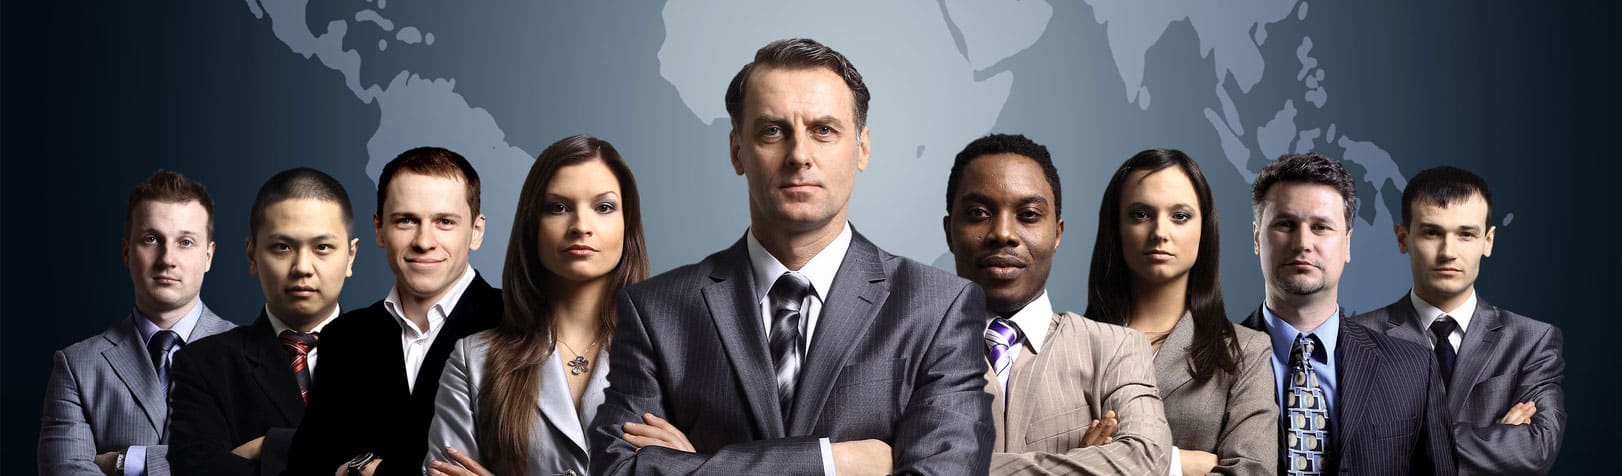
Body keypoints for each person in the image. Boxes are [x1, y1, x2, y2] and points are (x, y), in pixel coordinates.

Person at [587, 38, 994, 475]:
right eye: (772, 131)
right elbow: (618, 471)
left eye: (823, 130)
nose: (799, 156)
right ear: (737, 150)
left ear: (862, 148)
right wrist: (833, 462)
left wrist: (698, 466)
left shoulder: (938, 308)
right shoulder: (656, 311)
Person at [943, 134, 1172, 475]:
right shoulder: (907, 351)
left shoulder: (1116, 350)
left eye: (1029, 215)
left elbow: (1146, 460)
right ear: (949, 231)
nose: (1003, 233)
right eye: (978, 213)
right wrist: (1084, 463)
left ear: (1057, 233)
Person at [422, 135, 649, 476]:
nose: (581, 227)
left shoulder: (674, 355)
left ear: (626, 224)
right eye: (558, 207)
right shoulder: (474, 361)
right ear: (532, 225)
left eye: (603, 207)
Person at [285, 147, 503, 476]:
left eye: (444, 221)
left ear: (476, 231)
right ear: (379, 228)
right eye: (406, 220)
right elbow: (305, 468)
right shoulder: (344, 338)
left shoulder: (519, 323)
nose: (424, 241)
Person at [1240, 153, 1455, 475]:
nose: (1303, 243)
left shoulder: (1413, 368)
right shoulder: (1210, 363)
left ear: (1348, 244)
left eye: (1321, 227)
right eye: (1285, 224)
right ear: (1258, 238)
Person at [1350, 166, 1565, 475]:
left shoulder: (1532, 340)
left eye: (1466, 234)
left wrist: (1398, 440)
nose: (1448, 252)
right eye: (1432, 233)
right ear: (1403, 239)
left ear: (1488, 241)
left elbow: (1536, 447)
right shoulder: (1356, 337)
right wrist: (1496, 437)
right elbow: (1353, 451)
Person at [1084, 149, 1278, 475]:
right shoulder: (1063, 345)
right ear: (1116, 228)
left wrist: (1157, 463)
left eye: (1180, 216)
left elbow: (1252, 471)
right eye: (1141, 214)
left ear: (1204, 229)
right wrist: (1192, 464)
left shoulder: (1247, 353)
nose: (1160, 232)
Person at [39, 170, 236, 476]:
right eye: (151, 239)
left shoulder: (255, 356)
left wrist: (128, 462)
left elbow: (264, 466)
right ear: (127, 251)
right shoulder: (77, 366)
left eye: (185, 241)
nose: (167, 258)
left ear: (208, 256)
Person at [167, 168, 359, 476]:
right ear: (252, 256)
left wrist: (269, 446)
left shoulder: (396, 352)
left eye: (322, 247)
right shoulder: (204, 364)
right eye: (282, 247)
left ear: (350, 256)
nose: (302, 267)